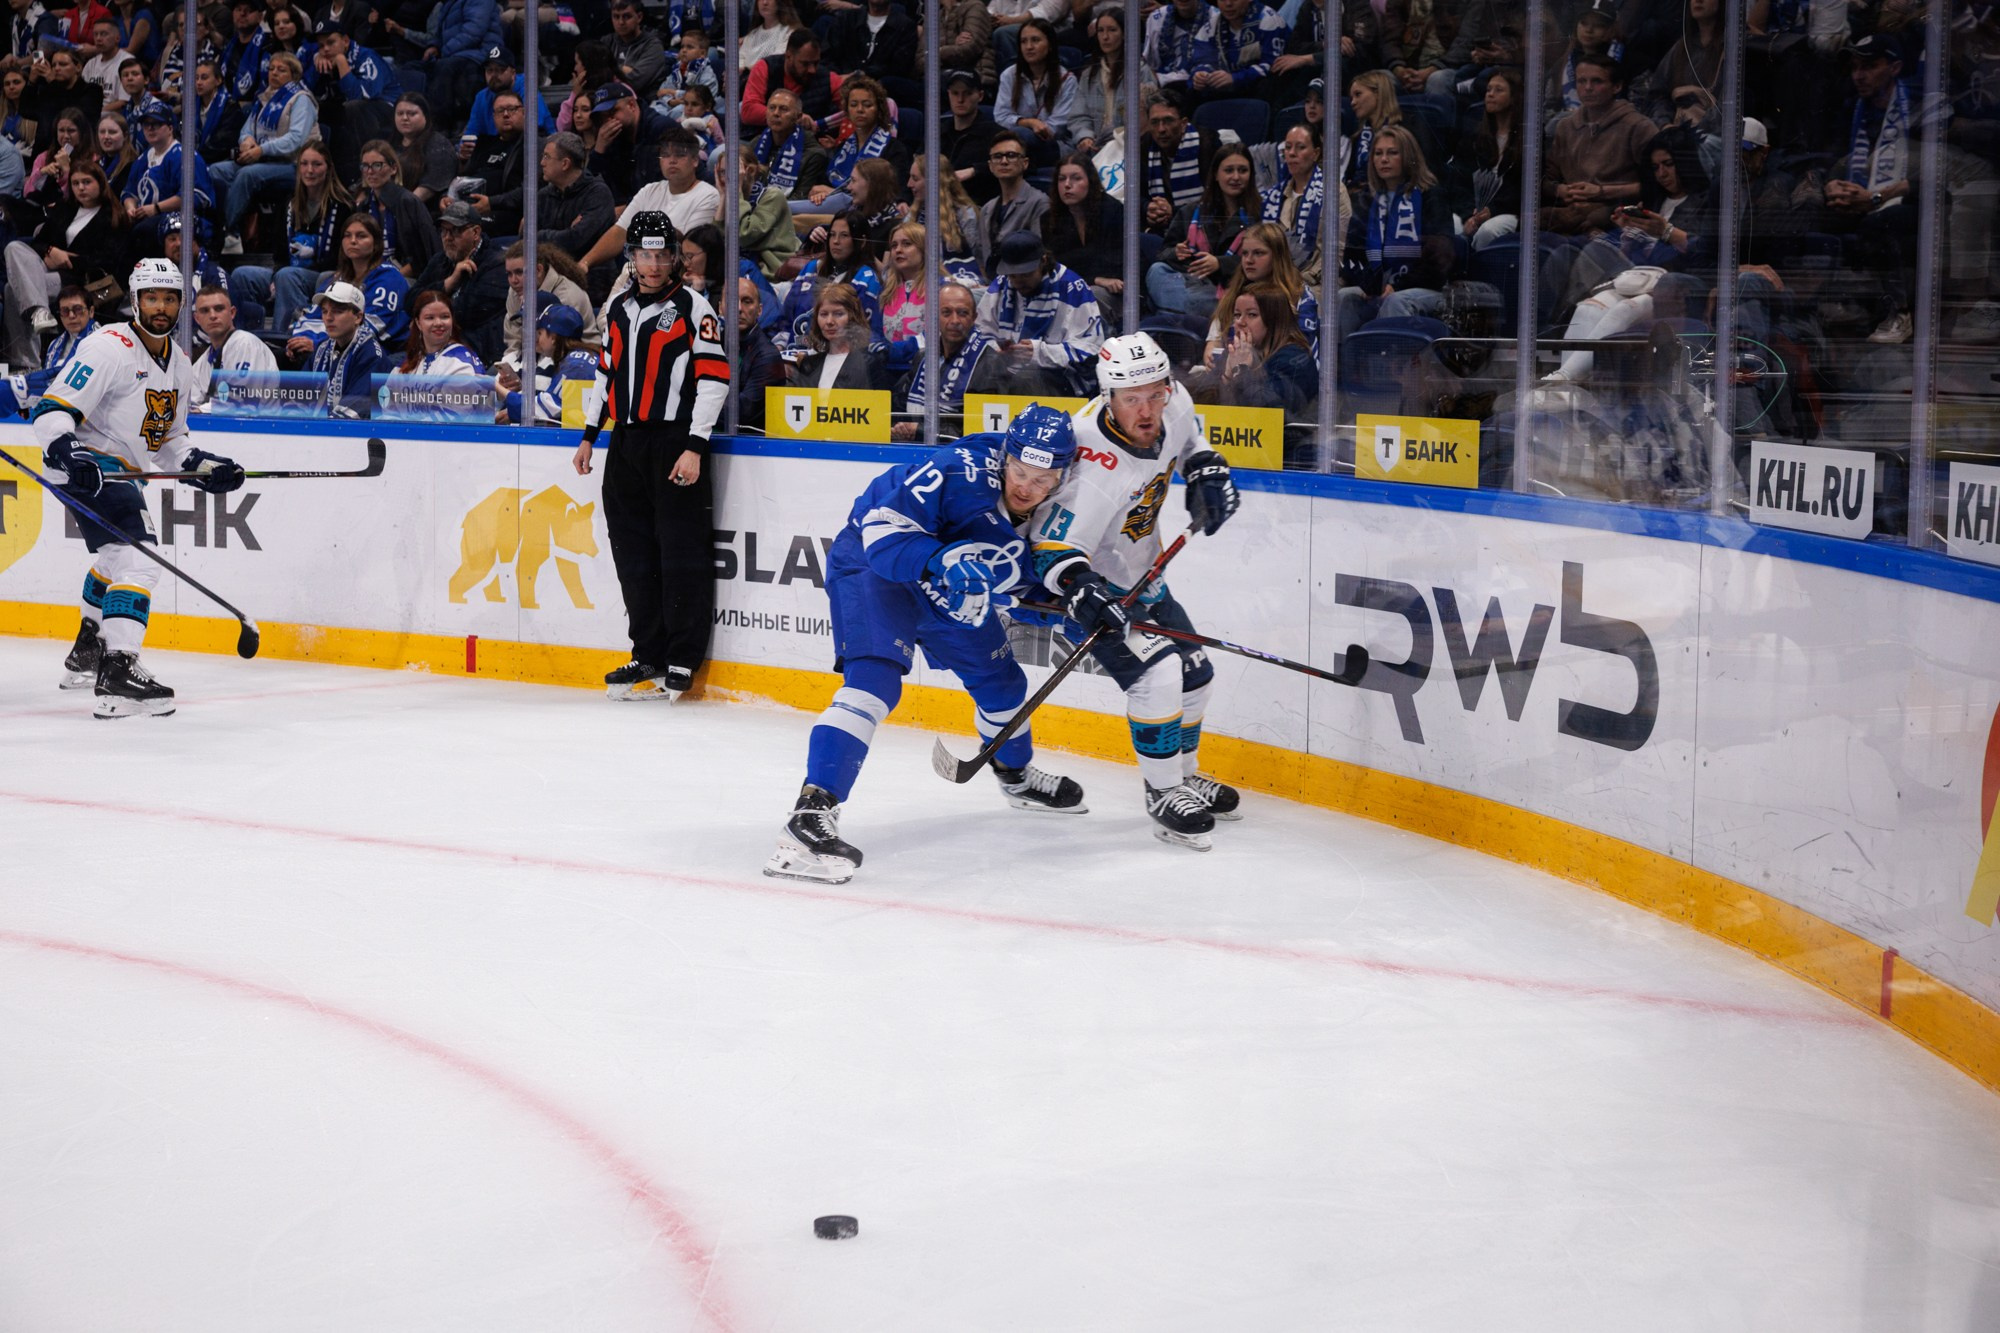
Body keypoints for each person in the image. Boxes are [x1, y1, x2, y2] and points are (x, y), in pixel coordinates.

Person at [765, 405, 1090, 884]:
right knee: (874, 682)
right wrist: (942, 559)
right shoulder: (956, 470)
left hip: (951, 584)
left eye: (1042, 480)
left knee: (1001, 683)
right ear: (1005, 456)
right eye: (1020, 471)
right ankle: (810, 814)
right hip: (876, 568)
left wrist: (1072, 608)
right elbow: (881, 533)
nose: (1026, 487)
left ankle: (1015, 777)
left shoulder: (1062, 514)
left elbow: (1022, 584)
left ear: (1061, 478)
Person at [1028, 331, 1241, 848]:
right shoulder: (1089, 463)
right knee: (1158, 675)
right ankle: (1163, 792)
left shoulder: (1174, 402)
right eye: (1131, 399)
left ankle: (1185, 775)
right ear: (1109, 398)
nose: (1147, 409)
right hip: (1091, 591)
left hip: (1144, 576)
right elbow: (1049, 546)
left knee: (1197, 675)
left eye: (1154, 393)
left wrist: (1205, 466)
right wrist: (1083, 588)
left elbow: (1190, 436)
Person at [36, 256, 243, 718]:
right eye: (152, 297)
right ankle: (119, 669)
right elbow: (51, 411)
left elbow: (170, 441)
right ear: (134, 300)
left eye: (170, 298)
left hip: (122, 469)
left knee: (114, 558)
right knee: (140, 560)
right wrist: (70, 452)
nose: (161, 306)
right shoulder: (108, 347)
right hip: (89, 466)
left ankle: (89, 650)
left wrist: (205, 468)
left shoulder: (182, 364)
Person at [571, 210, 729, 704]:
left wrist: (695, 445)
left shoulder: (693, 307)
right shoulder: (617, 308)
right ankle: (648, 650)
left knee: (680, 550)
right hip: (626, 443)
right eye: (646, 255)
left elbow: (714, 378)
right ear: (632, 257)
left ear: (675, 257)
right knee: (633, 552)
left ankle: (682, 655)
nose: (655, 264)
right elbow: (605, 373)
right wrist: (589, 435)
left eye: (663, 255)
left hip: (674, 441)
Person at [2, 160, 127, 369]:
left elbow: (108, 260)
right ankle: (40, 313)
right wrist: (51, 251)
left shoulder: (114, 217)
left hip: (79, 280)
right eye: (76, 183)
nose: (81, 188)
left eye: (87, 182)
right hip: (45, 270)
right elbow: (38, 243)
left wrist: (67, 259)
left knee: (11, 289)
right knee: (14, 247)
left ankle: (27, 363)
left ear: (101, 184)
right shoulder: (65, 209)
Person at [226, 140, 347, 333]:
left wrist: (283, 276)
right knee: (243, 275)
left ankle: (283, 338)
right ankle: (246, 339)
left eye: (317, 164)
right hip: (287, 272)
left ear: (329, 168)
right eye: (304, 164)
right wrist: (275, 277)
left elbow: (338, 259)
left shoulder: (342, 206)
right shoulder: (288, 203)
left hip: (324, 277)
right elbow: (280, 253)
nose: (310, 170)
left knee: (287, 276)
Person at [978, 229, 1104, 396]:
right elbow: (980, 333)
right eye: (1013, 276)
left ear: (1043, 261)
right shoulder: (1001, 284)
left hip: (1062, 380)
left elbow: (1091, 349)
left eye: (1026, 274)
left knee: (1025, 378)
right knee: (979, 373)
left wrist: (1039, 353)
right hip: (1006, 371)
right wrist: (997, 350)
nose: (1018, 282)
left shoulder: (1073, 288)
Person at [211, 53, 317, 250]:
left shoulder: (301, 100)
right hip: (262, 160)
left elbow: (295, 139)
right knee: (216, 171)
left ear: (293, 75)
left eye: (281, 70)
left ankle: (228, 232)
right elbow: (246, 130)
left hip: (294, 165)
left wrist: (261, 150)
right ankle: (222, 228)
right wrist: (247, 141)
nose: (274, 73)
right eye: (271, 69)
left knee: (246, 174)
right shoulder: (264, 98)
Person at [1146, 140, 1255, 324]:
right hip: (1191, 285)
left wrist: (1220, 264)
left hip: (1234, 289)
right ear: (1215, 175)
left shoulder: (1259, 216)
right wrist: (1176, 252)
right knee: (1157, 271)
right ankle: (1189, 314)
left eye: (1242, 170)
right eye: (1228, 170)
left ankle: (1176, 318)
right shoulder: (1190, 212)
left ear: (1250, 175)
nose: (1236, 177)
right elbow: (1163, 254)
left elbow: (1266, 262)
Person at [1185, 283, 1315, 416]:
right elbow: (1203, 403)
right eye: (1237, 315)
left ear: (1275, 320)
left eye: (1252, 315)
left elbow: (1269, 414)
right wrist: (1226, 378)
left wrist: (1242, 371)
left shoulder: (1294, 359)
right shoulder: (1236, 352)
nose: (1240, 322)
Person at [894, 277, 1001, 437]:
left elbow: (979, 432)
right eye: (946, 313)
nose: (955, 321)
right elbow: (897, 408)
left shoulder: (990, 365)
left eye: (963, 313)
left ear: (974, 318)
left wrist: (920, 431)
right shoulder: (923, 358)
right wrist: (899, 428)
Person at [411, 197, 507, 362]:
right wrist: (448, 283)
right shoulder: (440, 260)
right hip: (435, 347)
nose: (447, 238)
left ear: (476, 233)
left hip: (475, 354)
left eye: (455, 231)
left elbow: (465, 313)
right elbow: (410, 301)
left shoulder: (497, 263)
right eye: (444, 231)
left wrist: (426, 314)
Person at [383, 286, 484, 418]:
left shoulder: (462, 361)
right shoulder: (406, 364)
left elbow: (453, 417)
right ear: (418, 323)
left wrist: (409, 433)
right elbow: (387, 410)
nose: (438, 323)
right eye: (430, 318)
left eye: (445, 317)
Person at [499, 295, 597, 423]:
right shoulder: (580, 358)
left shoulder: (576, 366)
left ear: (553, 337)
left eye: (540, 333)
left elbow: (542, 408)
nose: (537, 339)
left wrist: (495, 387)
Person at [995, 17, 1075, 167]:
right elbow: (1001, 116)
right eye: (1023, 42)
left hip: (1054, 146)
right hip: (1015, 142)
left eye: (1035, 40)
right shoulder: (1009, 75)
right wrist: (1029, 122)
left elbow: (1057, 128)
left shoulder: (1066, 79)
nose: (1029, 47)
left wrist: (1029, 129)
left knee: (1020, 138)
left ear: (1050, 45)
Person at [189, 280, 277, 407]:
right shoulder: (203, 361)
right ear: (197, 319)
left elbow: (240, 400)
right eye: (205, 311)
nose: (212, 315)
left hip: (259, 424)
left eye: (219, 309)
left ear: (232, 313)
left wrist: (202, 410)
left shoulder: (246, 344)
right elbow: (189, 402)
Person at [304, 278, 386, 415]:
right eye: (324, 311)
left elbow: (355, 411)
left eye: (337, 311)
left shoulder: (371, 354)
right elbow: (298, 396)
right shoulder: (322, 349)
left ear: (358, 317)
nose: (328, 318)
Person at [788, 281, 881, 390]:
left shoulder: (869, 364)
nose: (829, 321)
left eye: (838, 314)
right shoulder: (807, 364)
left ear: (852, 317)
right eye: (823, 314)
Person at [977, 128, 1048, 266]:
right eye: (997, 156)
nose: (1004, 161)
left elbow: (1039, 254)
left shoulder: (1039, 203)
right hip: (991, 283)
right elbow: (982, 255)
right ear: (990, 166)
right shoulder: (987, 209)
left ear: (1025, 163)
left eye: (1011, 155)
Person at [754, 87, 828, 203]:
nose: (776, 113)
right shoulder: (757, 143)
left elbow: (799, 200)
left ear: (798, 117)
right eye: (772, 108)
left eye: (783, 109)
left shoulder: (813, 155)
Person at [26, 284, 97, 400]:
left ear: (91, 311)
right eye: (65, 311)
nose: (71, 316)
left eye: (78, 309)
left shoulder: (102, 339)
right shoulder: (54, 344)